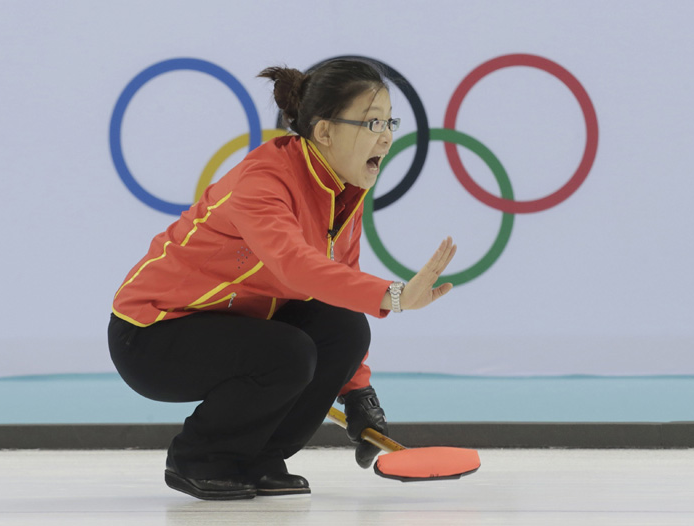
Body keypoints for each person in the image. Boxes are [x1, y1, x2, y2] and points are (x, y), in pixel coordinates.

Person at [107, 58, 457, 501]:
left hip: (238, 328)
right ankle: (199, 458)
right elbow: (294, 265)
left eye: (389, 121)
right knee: (288, 353)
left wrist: (359, 393)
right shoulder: (264, 179)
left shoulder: (343, 189)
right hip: (151, 335)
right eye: (371, 123)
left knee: (344, 328)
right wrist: (395, 295)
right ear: (325, 132)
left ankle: (258, 458)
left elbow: (341, 285)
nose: (387, 136)